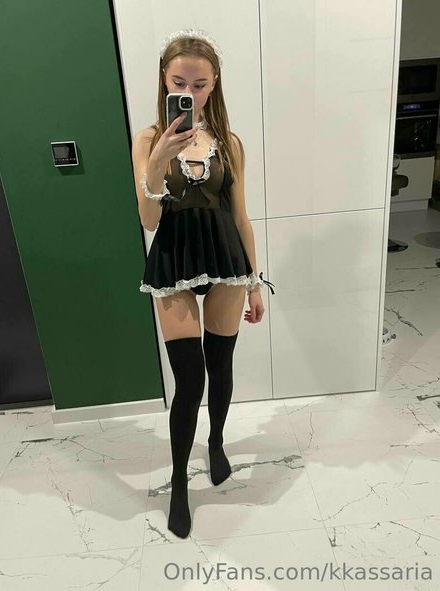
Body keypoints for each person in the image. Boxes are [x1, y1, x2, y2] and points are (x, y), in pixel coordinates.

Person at [131, 28, 275, 539]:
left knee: (221, 366)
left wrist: (254, 282)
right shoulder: (147, 140)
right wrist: (158, 160)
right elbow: (149, 219)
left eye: (199, 84)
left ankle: (215, 442)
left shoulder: (229, 143)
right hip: (173, 260)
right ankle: (178, 483)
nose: (188, 93)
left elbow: (241, 217)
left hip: (226, 261)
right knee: (189, 380)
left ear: (214, 85)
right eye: (179, 83)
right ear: (164, 80)